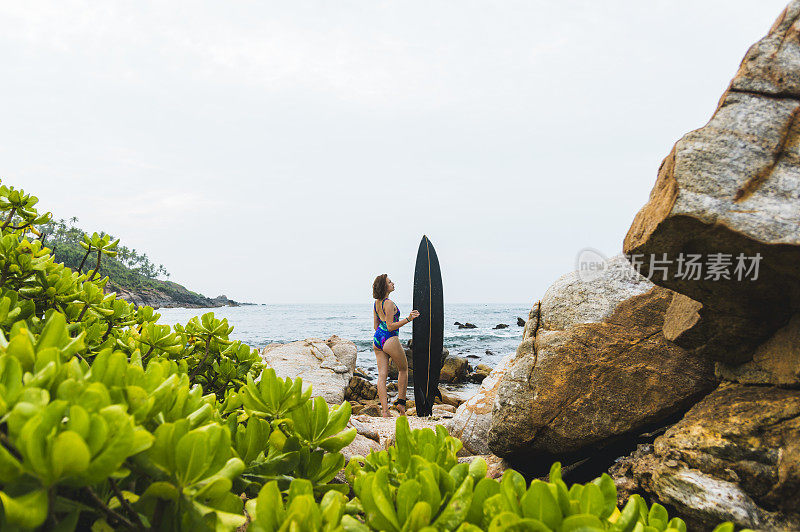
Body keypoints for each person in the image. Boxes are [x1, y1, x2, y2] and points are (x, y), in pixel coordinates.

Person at [372, 274, 420, 417]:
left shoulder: (376, 303)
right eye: (389, 282)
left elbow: (376, 326)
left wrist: (383, 335)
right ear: (384, 286)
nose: (393, 283)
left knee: (382, 376)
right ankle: (401, 403)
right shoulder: (389, 303)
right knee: (403, 369)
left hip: (377, 339)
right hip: (390, 338)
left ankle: (385, 411)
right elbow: (391, 326)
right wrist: (408, 319)